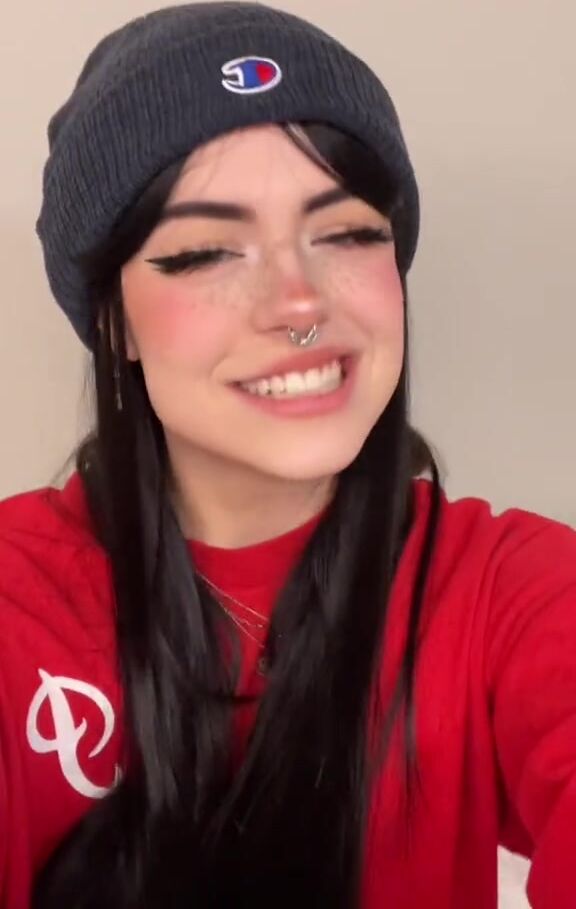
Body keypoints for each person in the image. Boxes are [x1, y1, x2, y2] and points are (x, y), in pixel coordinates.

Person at [0, 3, 574, 907]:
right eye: (205, 251)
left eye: (348, 232)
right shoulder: (17, 605)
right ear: (114, 324)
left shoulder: (512, 592)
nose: (300, 304)